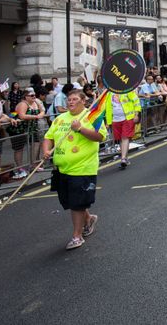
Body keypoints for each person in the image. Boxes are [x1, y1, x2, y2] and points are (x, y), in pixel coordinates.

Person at [42, 89, 106, 250]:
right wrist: (46, 150)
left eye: (74, 99)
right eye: (69, 99)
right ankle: (89, 218)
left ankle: (77, 236)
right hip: (62, 169)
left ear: (83, 101)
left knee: (77, 204)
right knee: (71, 202)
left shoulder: (92, 117)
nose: (70, 102)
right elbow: (48, 137)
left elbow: (100, 137)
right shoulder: (60, 119)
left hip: (83, 168)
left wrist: (80, 129)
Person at [8, 88, 45, 179]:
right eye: (32, 95)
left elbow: (42, 111)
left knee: (36, 144)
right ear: (25, 97)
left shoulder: (35, 103)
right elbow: (22, 116)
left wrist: (41, 114)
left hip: (31, 128)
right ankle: (20, 168)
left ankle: (33, 164)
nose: (34, 97)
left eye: (34, 95)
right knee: (19, 149)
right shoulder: (23, 104)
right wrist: (36, 116)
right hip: (19, 129)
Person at [103, 89, 141, 168]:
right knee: (120, 139)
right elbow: (108, 108)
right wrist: (108, 122)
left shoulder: (127, 90)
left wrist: (136, 114)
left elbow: (136, 101)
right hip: (115, 120)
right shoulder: (109, 93)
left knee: (125, 137)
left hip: (127, 118)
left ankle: (123, 158)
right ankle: (125, 158)